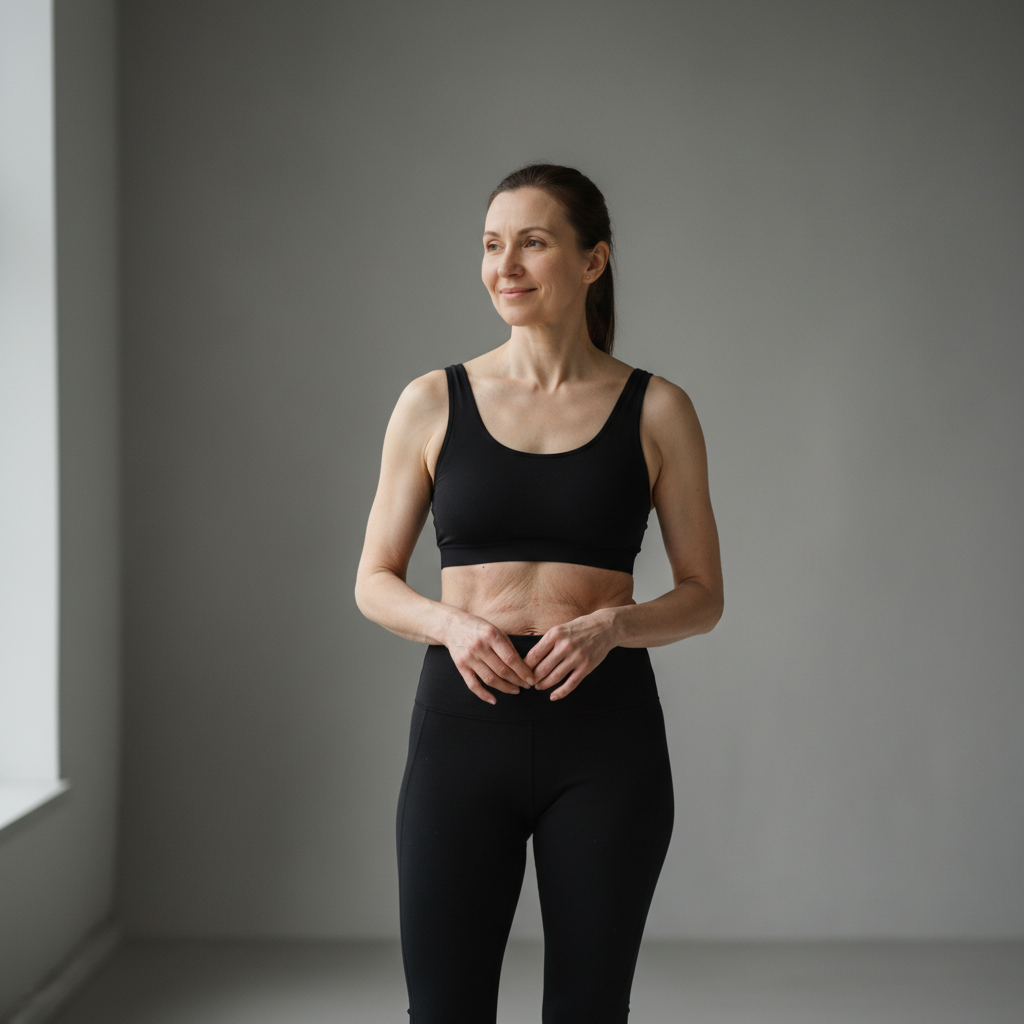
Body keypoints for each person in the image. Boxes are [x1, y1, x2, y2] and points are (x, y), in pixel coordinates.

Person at [354, 163, 723, 1024]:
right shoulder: (431, 402)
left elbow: (703, 595)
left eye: (532, 243)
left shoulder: (658, 410)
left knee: (590, 1012)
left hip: (605, 742)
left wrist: (614, 626)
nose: (505, 267)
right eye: (492, 245)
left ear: (593, 260)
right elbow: (373, 581)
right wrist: (451, 626)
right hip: (461, 735)